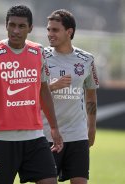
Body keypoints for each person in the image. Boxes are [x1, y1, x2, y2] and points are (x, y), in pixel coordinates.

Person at [0, 5, 63, 184]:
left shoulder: (38, 51)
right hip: (1, 139)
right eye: (12, 25)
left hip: (35, 137)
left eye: (21, 26)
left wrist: (54, 127)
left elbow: (44, 90)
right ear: (5, 26)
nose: (15, 31)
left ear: (30, 28)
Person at [42, 9, 99, 184]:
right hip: (48, 134)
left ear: (69, 31)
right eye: (49, 30)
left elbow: (90, 94)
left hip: (77, 134)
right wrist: (52, 86)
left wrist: (91, 127)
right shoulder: (40, 57)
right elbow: (32, 92)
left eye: (55, 30)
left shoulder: (86, 59)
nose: (50, 34)